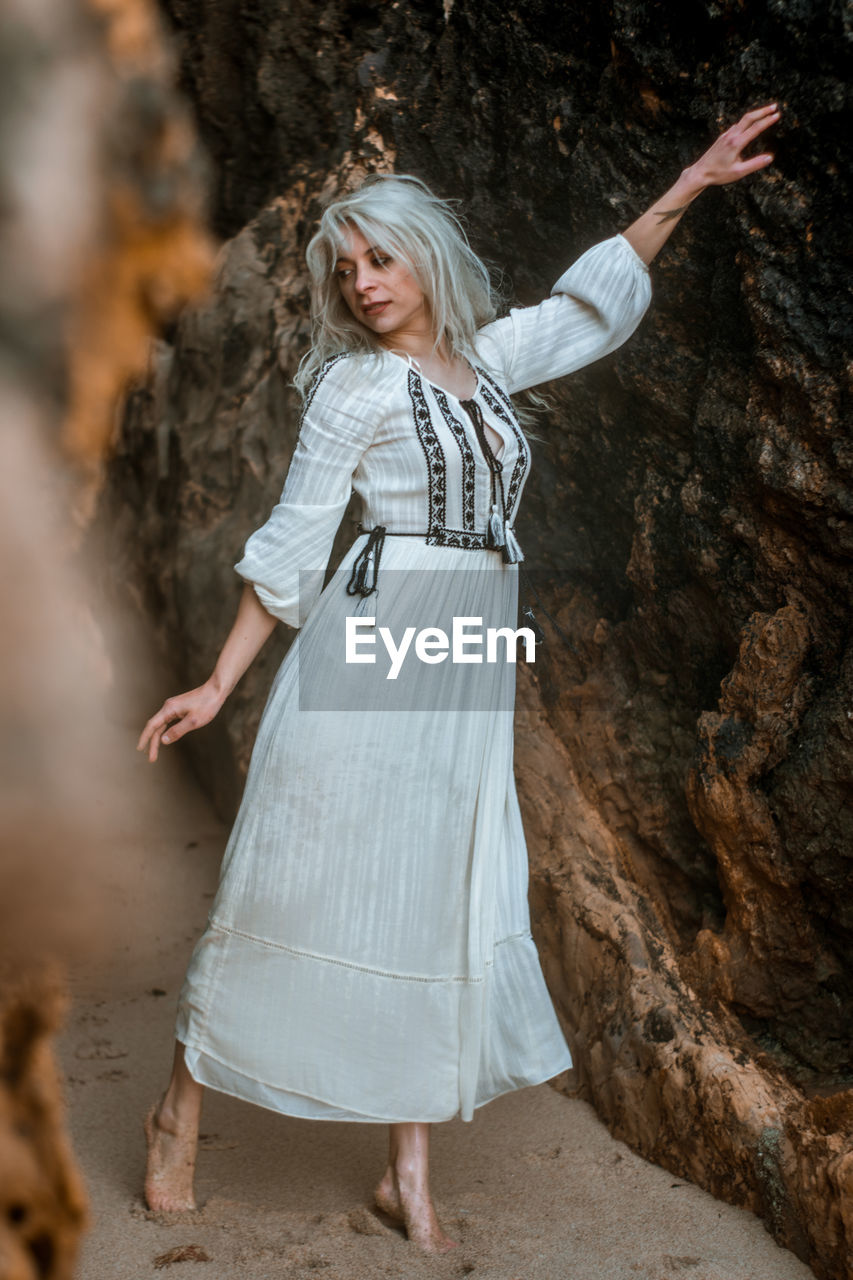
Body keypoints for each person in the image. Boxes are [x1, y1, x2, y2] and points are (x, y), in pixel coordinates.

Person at [138, 103, 780, 1254]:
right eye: (348, 269)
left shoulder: (484, 363)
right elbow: (292, 543)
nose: (365, 283)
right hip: (377, 633)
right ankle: (178, 1109)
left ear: (424, 259)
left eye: (380, 258)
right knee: (296, 869)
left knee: (434, 891)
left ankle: (408, 1173)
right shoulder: (355, 389)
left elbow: (590, 307)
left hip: (470, 645)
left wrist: (688, 184)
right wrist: (221, 684)